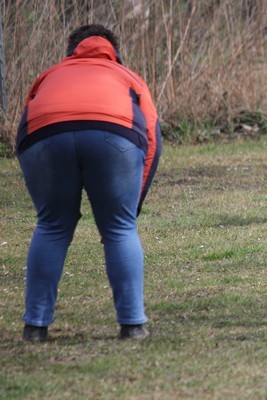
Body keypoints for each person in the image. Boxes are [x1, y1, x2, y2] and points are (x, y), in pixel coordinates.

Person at [16, 24, 162, 341]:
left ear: (70, 51)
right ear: (115, 52)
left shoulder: (48, 76)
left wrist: (41, 193)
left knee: (51, 225)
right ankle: (132, 326)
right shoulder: (128, 77)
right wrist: (134, 203)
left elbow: (24, 131)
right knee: (120, 227)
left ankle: (35, 328)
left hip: (46, 137)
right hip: (115, 136)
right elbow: (152, 137)